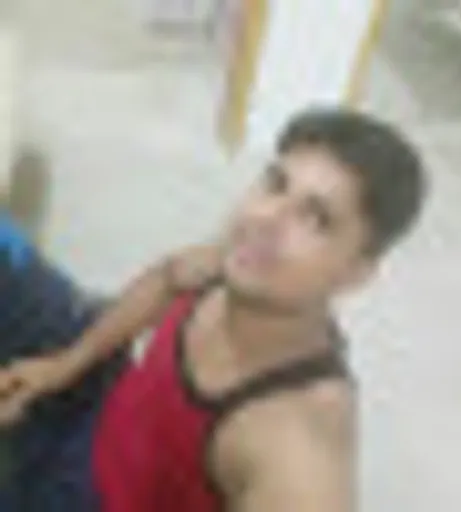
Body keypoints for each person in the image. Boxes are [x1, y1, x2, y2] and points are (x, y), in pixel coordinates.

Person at [0, 107, 425, 511]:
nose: (266, 218)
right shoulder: (243, 264)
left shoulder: (295, 453)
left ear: (357, 272)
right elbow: (169, 277)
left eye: (316, 219)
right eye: (276, 183)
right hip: (106, 409)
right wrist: (65, 365)